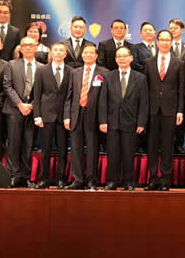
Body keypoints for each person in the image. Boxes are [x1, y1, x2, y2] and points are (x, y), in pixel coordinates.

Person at [99, 45, 148, 190]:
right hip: (112, 122)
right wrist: (103, 121)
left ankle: (129, 181)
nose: (122, 59)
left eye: (125, 56)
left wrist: (141, 122)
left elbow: (144, 102)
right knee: (112, 153)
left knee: (128, 153)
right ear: (115, 59)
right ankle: (112, 181)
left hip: (131, 122)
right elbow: (103, 101)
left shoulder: (140, 78)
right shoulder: (108, 76)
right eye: (119, 56)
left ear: (131, 58)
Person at [144, 29, 185, 191]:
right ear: (157, 41)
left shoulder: (179, 63)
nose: (165, 42)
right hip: (152, 110)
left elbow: (181, 89)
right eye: (162, 40)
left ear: (171, 42)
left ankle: (166, 180)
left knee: (168, 145)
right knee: (152, 145)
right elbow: (144, 88)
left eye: (168, 40)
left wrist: (180, 110)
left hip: (171, 110)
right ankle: (153, 178)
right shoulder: (148, 62)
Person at [64, 44, 107, 189]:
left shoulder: (104, 73)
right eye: (85, 53)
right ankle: (77, 179)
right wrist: (67, 116)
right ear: (82, 56)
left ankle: (91, 179)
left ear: (96, 56)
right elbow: (69, 96)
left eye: (91, 53)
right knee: (76, 148)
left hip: (94, 115)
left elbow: (105, 98)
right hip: (76, 114)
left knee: (92, 148)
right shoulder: (75, 73)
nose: (88, 55)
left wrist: (103, 119)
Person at [2, 36, 44, 188]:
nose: (28, 47)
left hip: (32, 111)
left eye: (31, 45)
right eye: (25, 45)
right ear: (20, 48)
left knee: (28, 144)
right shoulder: (11, 64)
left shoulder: (42, 67)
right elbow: (7, 86)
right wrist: (20, 104)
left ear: (36, 48)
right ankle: (13, 175)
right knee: (13, 144)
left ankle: (25, 176)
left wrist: (31, 105)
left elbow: (43, 90)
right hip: (14, 109)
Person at [33, 42, 71, 189]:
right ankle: (44, 178)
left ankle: (61, 178)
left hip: (63, 117)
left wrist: (68, 116)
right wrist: (37, 115)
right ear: (51, 53)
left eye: (61, 50)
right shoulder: (42, 70)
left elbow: (70, 95)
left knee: (62, 149)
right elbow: (37, 94)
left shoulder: (71, 71)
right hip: (46, 115)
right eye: (55, 50)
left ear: (65, 54)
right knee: (46, 149)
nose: (58, 52)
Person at [169, 18, 185, 154]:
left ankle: (179, 144)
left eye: (175, 28)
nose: (172, 30)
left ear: (182, 30)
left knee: (181, 116)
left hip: (184, 86)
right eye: (170, 28)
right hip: (168, 86)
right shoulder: (164, 46)